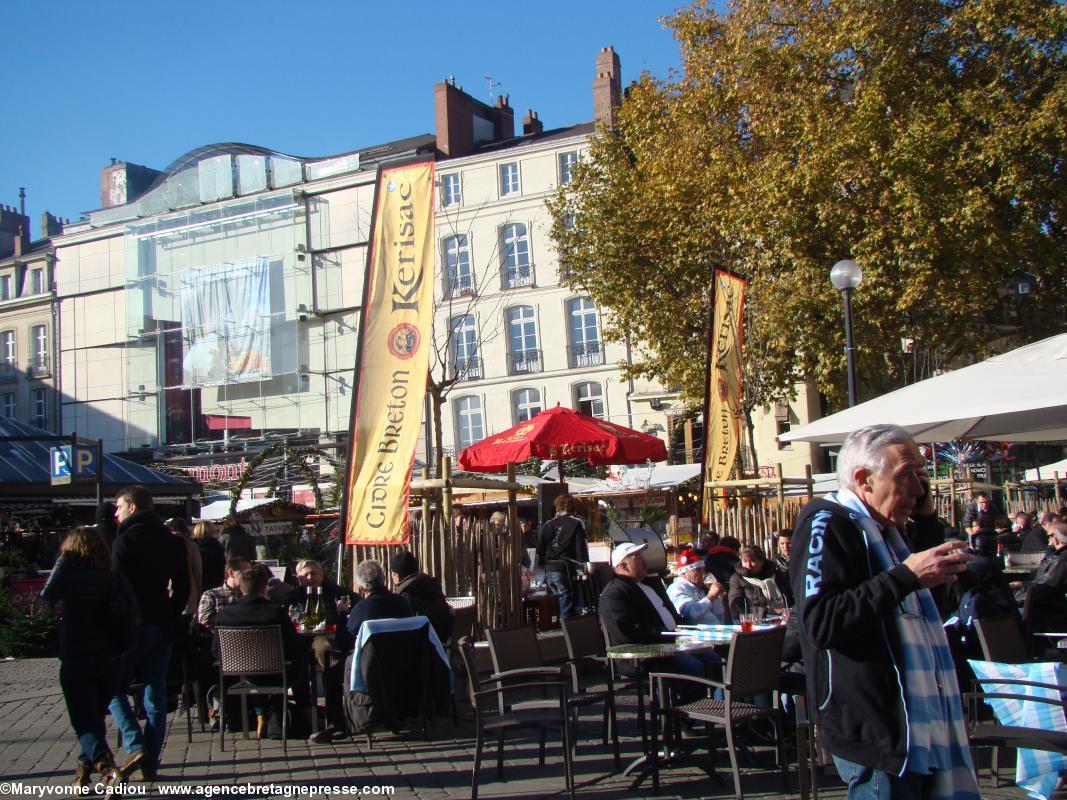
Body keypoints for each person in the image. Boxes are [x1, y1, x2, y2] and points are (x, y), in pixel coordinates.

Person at [791, 425, 979, 799]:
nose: (919, 489)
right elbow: (821, 623)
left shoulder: (888, 532)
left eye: (921, 476)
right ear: (863, 479)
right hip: (877, 732)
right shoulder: (827, 523)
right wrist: (907, 576)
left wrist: (927, 524)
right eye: (907, 475)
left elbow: (923, 611)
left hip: (920, 727)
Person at [109, 485, 190, 783]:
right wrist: (170, 612)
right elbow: (183, 586)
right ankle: (150, 761)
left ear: (132, 507)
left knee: (112, 688)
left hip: (133, 627)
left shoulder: (124, 542)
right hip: (163, 624)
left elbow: (116, 589)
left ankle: (135, 744)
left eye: (118, 507)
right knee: (155, 693)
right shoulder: (172, 541)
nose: (115, 513)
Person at [42, 527, 128, 788]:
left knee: (84, 721)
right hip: (108, 656)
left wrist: (63, 560)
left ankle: (107, 769)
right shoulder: (110, 576)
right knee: (93, 718)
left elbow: (47, 594)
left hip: (76, 654)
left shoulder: (67, 575)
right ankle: (82, 772)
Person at [214, 567, 310, 739]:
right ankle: (305, 714)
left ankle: (260, 716)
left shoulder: (224, 615)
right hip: (277, 673)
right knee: (302, 661)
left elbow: (216, 650)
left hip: (240, 675)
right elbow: (293, 646)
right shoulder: (275, 612)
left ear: (240, 587)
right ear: (264, 587)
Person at [598, 542, 718, 680]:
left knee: (714, 660)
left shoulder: (651, 584)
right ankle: (689, 701)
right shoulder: (614, 594)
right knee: (693, 667)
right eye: (637, 558)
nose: (644, 561)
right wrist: (669, 635)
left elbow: (675, 616)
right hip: (647, 655)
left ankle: (721, 700)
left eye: (642, 556)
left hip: (675, 644)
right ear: (624, 566)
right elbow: (628, 633)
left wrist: (689, 632)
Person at [287, 559, 353, 743]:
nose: (310, 578)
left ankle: (335, 721)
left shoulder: (333, 592)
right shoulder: (293, 596)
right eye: (305, 575)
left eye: (314, 573)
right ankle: (303, 716)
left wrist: (337, 614)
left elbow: (350, 604)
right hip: (298, 638)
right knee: (294, 660)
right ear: (299, 578)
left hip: (322, 636)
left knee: (327, 654)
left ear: (321, 576)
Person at [536, 494, 588, 619]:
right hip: (564, 568)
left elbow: (540, 548)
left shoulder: (547, 524)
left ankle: (559, 629)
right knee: (566, 603)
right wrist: (582, 566)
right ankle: (566, 633)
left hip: (549, 569)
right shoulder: (576, 523)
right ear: (572, 507)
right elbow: (580, 547)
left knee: (557, 603)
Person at [390, 550, 453, 643]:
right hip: (442, 637)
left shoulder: (406, 595)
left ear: (396, 576)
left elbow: (402, 627)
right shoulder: (432, 585)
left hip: (424, 645)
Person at [346, 559, 414, 639]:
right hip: (404, 651)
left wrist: (341, 614)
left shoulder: (361, 609)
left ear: (362, 588)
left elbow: (346, 642)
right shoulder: (403, 604)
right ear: (384, 579)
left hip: (373, 651)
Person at [1021, 521, 1067, 631]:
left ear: (1055, 538)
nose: (1048, 540)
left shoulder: (1061, 560)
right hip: (1050, 605)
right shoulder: (1059, 557)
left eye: (1050, 536)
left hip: (1047, 610)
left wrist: (1019, 598)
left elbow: (1044, 587)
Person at [666, 545, 726, 624]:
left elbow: (719, 618)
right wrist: (711, 596)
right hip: (693, 635)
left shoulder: (699, 588)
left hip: (714, 633)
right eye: (697, 570)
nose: (702, 574)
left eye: (703, 570)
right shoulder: (676, 588)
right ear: (683, 573)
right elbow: (691, 612)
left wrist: (717, 599)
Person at [728, 544, 790, 621]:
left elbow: (790, 597)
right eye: (745, 561)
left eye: (752, 561)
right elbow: (735, 605)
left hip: (782, 619)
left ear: (761, 561)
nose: (748, 565)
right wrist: (762, 612)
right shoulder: (737, 579)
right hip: (753, 622)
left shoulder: (776, 575)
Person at [197, 557, 251, 629]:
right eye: (245, 572)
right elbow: (204, 627)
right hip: (221, 638)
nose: (249, 576)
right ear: (231, 573)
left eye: (250, 573)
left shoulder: (252, 596)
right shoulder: (211, 595)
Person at [167, 518, 202, 617]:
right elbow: (198, 569)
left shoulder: (163, 542)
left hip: (168, 588)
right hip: (189, 588)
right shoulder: (191, 545)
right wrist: (199, 590)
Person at [193, 520, 226, 591]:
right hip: (214, 583)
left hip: (196, 583)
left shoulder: (193, 546)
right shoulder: (218, 547)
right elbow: (222, 566)